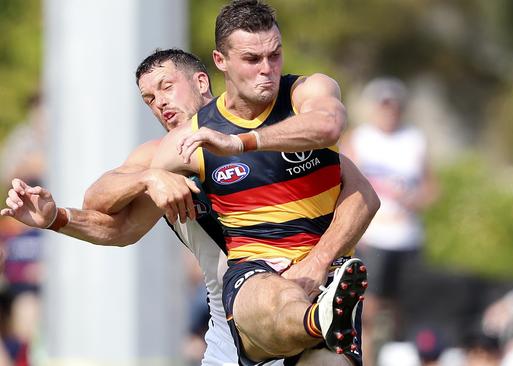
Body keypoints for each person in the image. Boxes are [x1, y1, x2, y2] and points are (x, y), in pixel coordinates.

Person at [2, 47, 379, 365]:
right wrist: (57, 217)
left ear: (201, 82)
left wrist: (316, 263)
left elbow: (363, 197)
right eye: (149, 98)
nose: (160, 102)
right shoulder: (161, 158)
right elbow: (117, 222)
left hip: (311, 304)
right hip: (233, 332)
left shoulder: (260, 134)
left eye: (167, 87)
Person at [149, 1, 376, 364]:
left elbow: (331, 128)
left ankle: (322, 317)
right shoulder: (188, 140)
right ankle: (318, 320)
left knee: (325, 345)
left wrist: (243, 142)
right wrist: (150, 178)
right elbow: (116, 221)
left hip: (326, 273)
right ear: (220, 61)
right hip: (254, 271)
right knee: (271, 296)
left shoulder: (307, 92)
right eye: (253, 60)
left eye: (275, 55)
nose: (267, 70)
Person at [342, 76, 438, 366]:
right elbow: (342, 185)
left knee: (404, 310)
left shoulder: (414, 140)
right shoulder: (359, 139)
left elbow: (432, 188)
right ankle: (366, 360)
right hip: (374, 237)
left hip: (407, 237)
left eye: (393, 106)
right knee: (368, 310)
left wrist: (414, 200)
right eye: (383, 105)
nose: (389, 111)